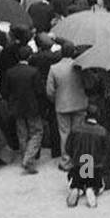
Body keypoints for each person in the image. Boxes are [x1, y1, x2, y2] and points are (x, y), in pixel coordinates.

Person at [45, 43, 87, 172]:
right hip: (79, 104)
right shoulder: (80, 66)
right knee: (78, 133)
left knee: (65, 134)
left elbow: (50, 91)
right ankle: (78, 159)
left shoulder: (54, 68)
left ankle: (66, 161)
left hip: (62, 105)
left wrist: (56, 100)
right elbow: (88, 83)